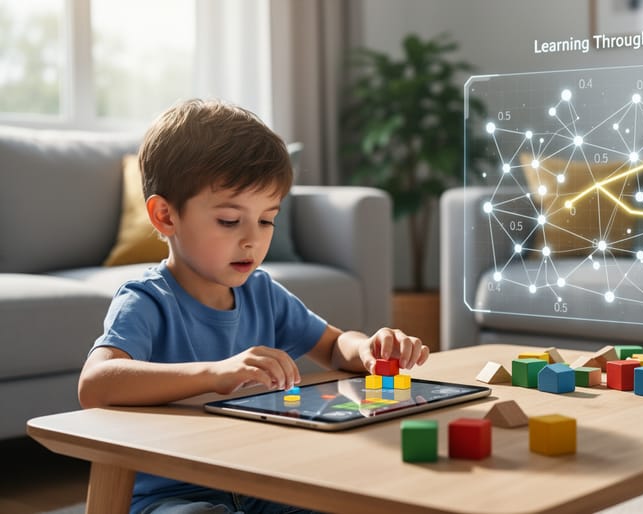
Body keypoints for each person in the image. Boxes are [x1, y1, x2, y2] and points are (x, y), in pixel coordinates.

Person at [78, 99, 429, 514]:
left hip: (259, 484)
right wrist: (214, 373)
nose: (253, 240)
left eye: (267, 220)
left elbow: (335, 346)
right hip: (172, 497)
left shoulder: (262, 293)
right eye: (229, 221)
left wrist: (369, 348)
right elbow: (96, 384)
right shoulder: (147, 299)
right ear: (165, 216)